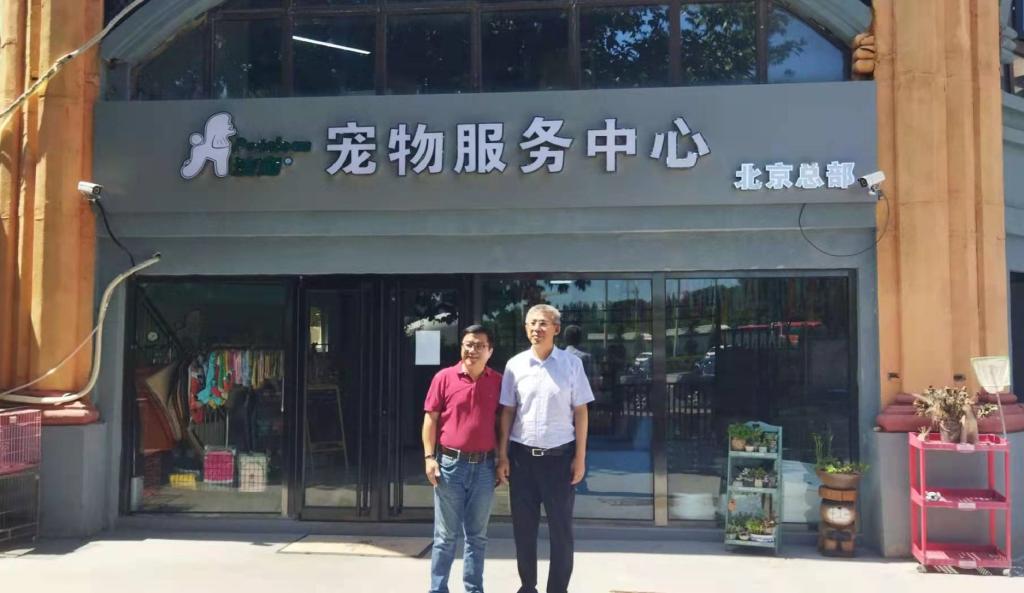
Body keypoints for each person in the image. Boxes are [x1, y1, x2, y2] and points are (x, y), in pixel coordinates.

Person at [497, 304, 595, 593]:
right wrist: (502, 455)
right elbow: (507, 412)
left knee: (561, 530)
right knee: (523, 529)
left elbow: (581, 412)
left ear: (556, 329)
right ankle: (528, 586)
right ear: (525, 328)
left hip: (559, 459)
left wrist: (580, 457)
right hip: (522, 459)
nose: (536, 328)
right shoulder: (515, 365)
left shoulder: (571, 365)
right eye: (532, 323)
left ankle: (558, 589)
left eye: (543, 323)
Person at [422, 325, 502, 593]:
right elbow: (430, 420)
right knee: (445, 537)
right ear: (461, 347)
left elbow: (504, 422)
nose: (473, 350)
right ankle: (438, 589)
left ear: (490, 351)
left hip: (484, 467)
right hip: (449, 466)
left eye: (480, 345)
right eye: (468, 344)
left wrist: (502, 458)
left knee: (477, 537)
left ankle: (473, 589)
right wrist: (429, 457)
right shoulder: (444, 378)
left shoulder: (498, 381)